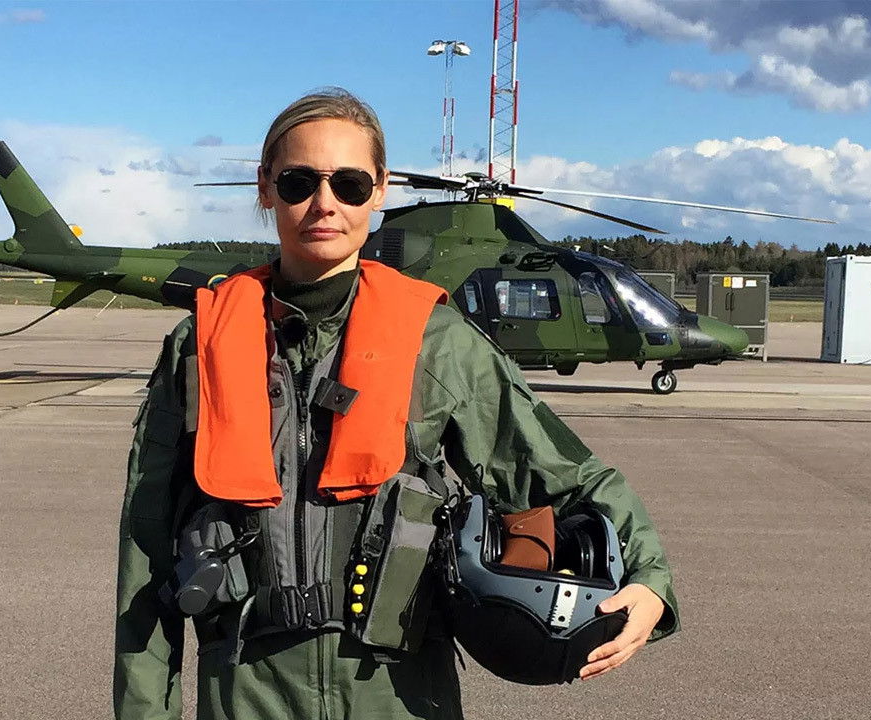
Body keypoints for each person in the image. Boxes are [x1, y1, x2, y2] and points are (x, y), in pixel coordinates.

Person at [114, 87, 678, 720]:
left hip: (401, 698)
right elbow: (147, 554)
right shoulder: (200, 347)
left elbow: (565, 475)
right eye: (299, 182)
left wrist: (649, 579)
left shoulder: (437, 343)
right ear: (265, 187)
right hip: (245, 699)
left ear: (380, 190)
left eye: (350, 184)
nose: (324, 203)